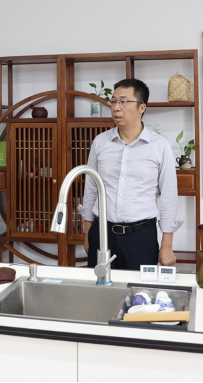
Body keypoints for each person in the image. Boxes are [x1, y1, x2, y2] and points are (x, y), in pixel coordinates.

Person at [81, 78, 182, 270]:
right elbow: (91, 190)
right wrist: (87, 235)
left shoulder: (159, 146)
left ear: (141, 108)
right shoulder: (100, 142)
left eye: (123, 101)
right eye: (113, 101)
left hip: (141, 237)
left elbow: (168, 196)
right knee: (100, 287)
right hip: (102, 234)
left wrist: (167, 245)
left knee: (138, 289)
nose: (116, 108)